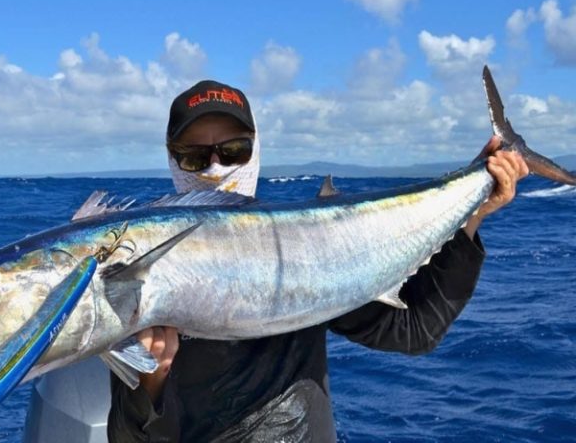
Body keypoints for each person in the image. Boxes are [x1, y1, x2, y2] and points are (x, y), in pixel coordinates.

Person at [107, 80, 529, 442]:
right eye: (195, 157)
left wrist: (473, 214)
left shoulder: (303, 248)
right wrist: (150, 381)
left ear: (256, 150)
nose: (215, 169)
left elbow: (415, 330)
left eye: (233, 150)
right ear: (172, 160)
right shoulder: (144, 264)